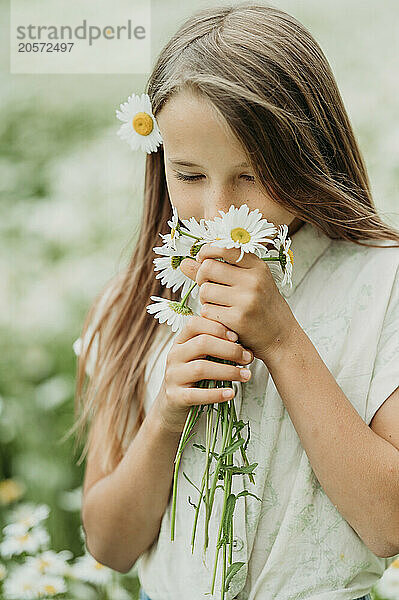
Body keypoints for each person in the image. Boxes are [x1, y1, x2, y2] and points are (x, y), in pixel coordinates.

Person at [70, 3, 399, 599]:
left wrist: (282, 339)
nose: (220, 212)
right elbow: (108, 545)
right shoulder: (133, 302)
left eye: (250, 176)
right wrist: (167, 415)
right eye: (190, 175)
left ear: (308, 154)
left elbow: (389, 525)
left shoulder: (382, 283)